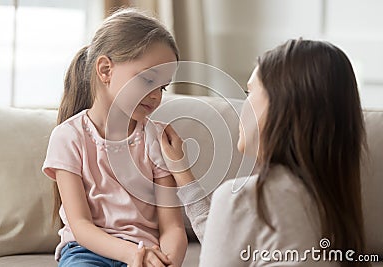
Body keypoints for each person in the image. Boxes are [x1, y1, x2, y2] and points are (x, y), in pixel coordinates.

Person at [132, 39, 369, 266]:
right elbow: (229, 242)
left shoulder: (246, 199)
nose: (243, 106)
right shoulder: (334, 202)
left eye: (250, 93)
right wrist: (182, 172)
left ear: (281, 107)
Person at [42, 8, 187, 267]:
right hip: (84, 251)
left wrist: (169, 261)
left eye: (163, 86)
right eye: (148, 80)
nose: (156, 96)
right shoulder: (68, 137)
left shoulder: (155, 138)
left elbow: (173, 226)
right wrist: (130, 254)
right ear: (106, 70)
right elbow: (81, 225)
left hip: (146, 252)